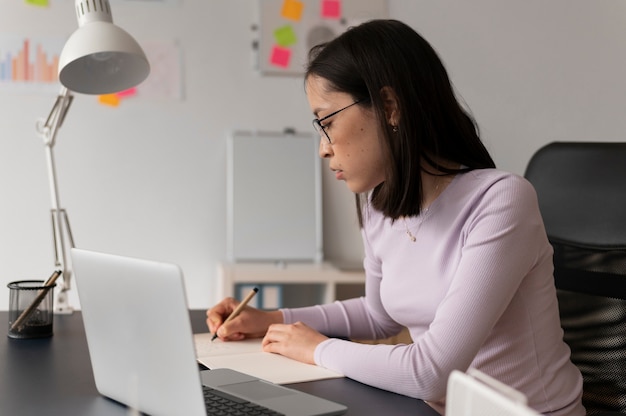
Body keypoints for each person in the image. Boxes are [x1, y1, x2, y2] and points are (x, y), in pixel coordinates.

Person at [207, 19, 585, 415]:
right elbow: (379, 315)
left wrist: (317, 348)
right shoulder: (380, 205)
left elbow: (430, 372)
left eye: (327, 122)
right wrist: (271, 319)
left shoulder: (500, 201)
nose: (323, 148)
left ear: (389, 107)